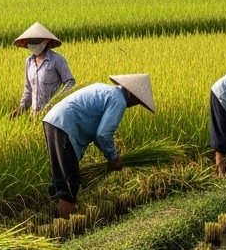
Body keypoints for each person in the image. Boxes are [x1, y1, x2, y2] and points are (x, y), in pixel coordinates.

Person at [42, 74, 155, 219]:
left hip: (53, 121)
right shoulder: (118, 100)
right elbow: (103, 135)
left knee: (62, 174)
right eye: (138, 101)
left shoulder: (105, 90)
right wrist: (114, 159)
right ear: (132, 95)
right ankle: (64, 223)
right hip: (65, 126)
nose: (135, 105)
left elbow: (98, 136)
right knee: (70, 181)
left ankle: (54, 217)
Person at [9, 23, 75, 118]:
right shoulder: (29, 62)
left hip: (53, 114)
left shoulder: (57, 59)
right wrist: (21, 108)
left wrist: (55, 101)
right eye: (30, 41)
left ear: (46, 41)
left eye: (36, 41)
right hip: (34, 114)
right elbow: (28, 89)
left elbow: (70, 82)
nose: (33, 44)